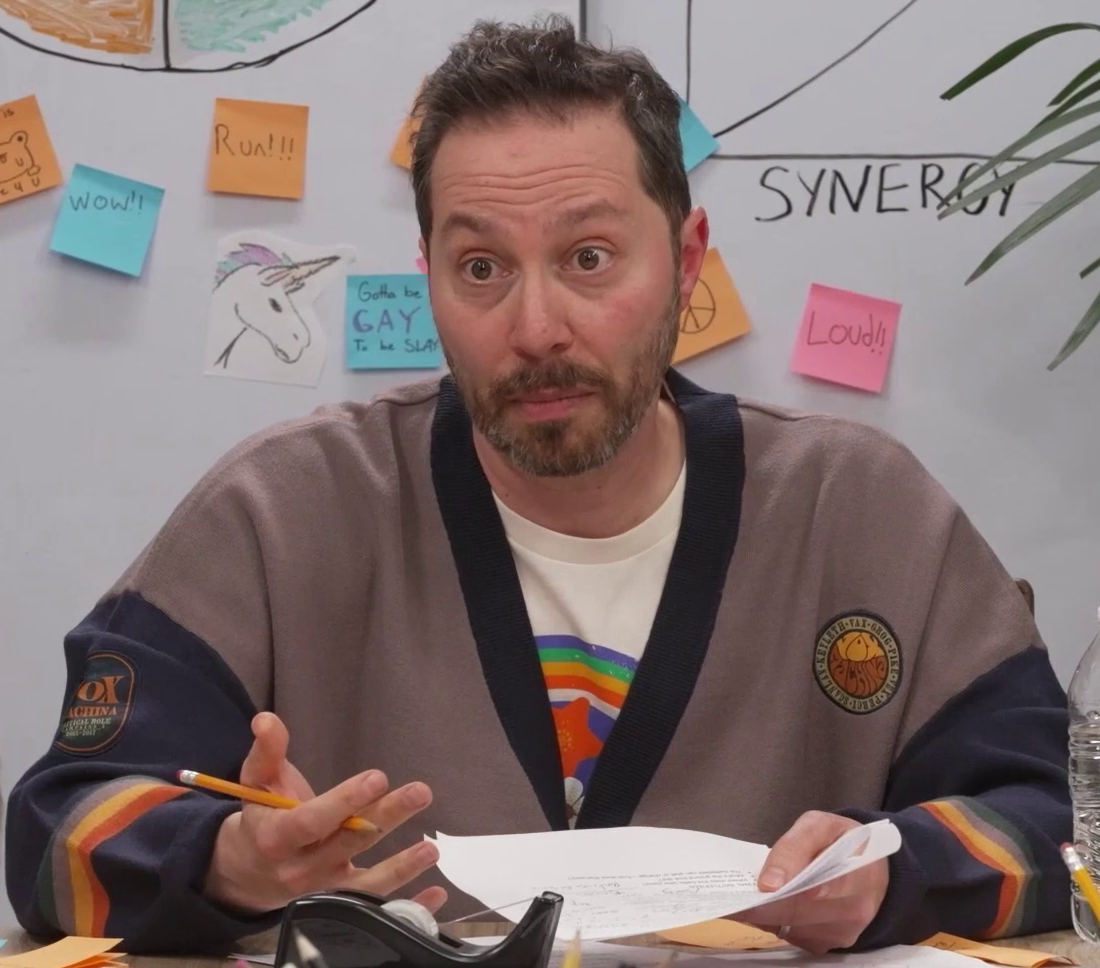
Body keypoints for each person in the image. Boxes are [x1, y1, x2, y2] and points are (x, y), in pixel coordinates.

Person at [5, 15, 1071, 958]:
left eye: (590, 257)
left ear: (687, 258)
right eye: (480, 268)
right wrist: (227, 859)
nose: (535, 327)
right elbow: (58, 829)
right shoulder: (281, 511)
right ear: (426, 273)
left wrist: (896, 869)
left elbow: (1057, 819)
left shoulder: (862, 508)